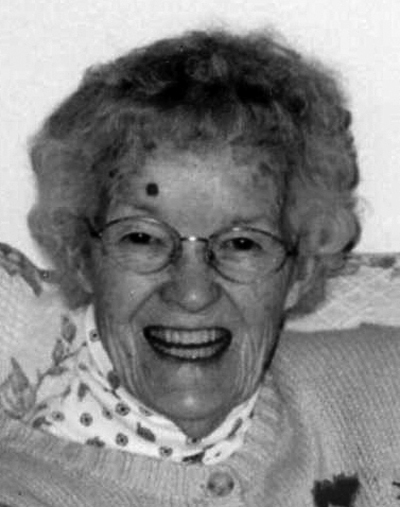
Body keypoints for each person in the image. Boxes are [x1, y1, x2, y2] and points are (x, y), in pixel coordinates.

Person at [1, 28, 400, 507]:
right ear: (80, 257)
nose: (192, 293)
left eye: (241, 243)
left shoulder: (386, 389)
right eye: (143, 238)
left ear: (300, 270)